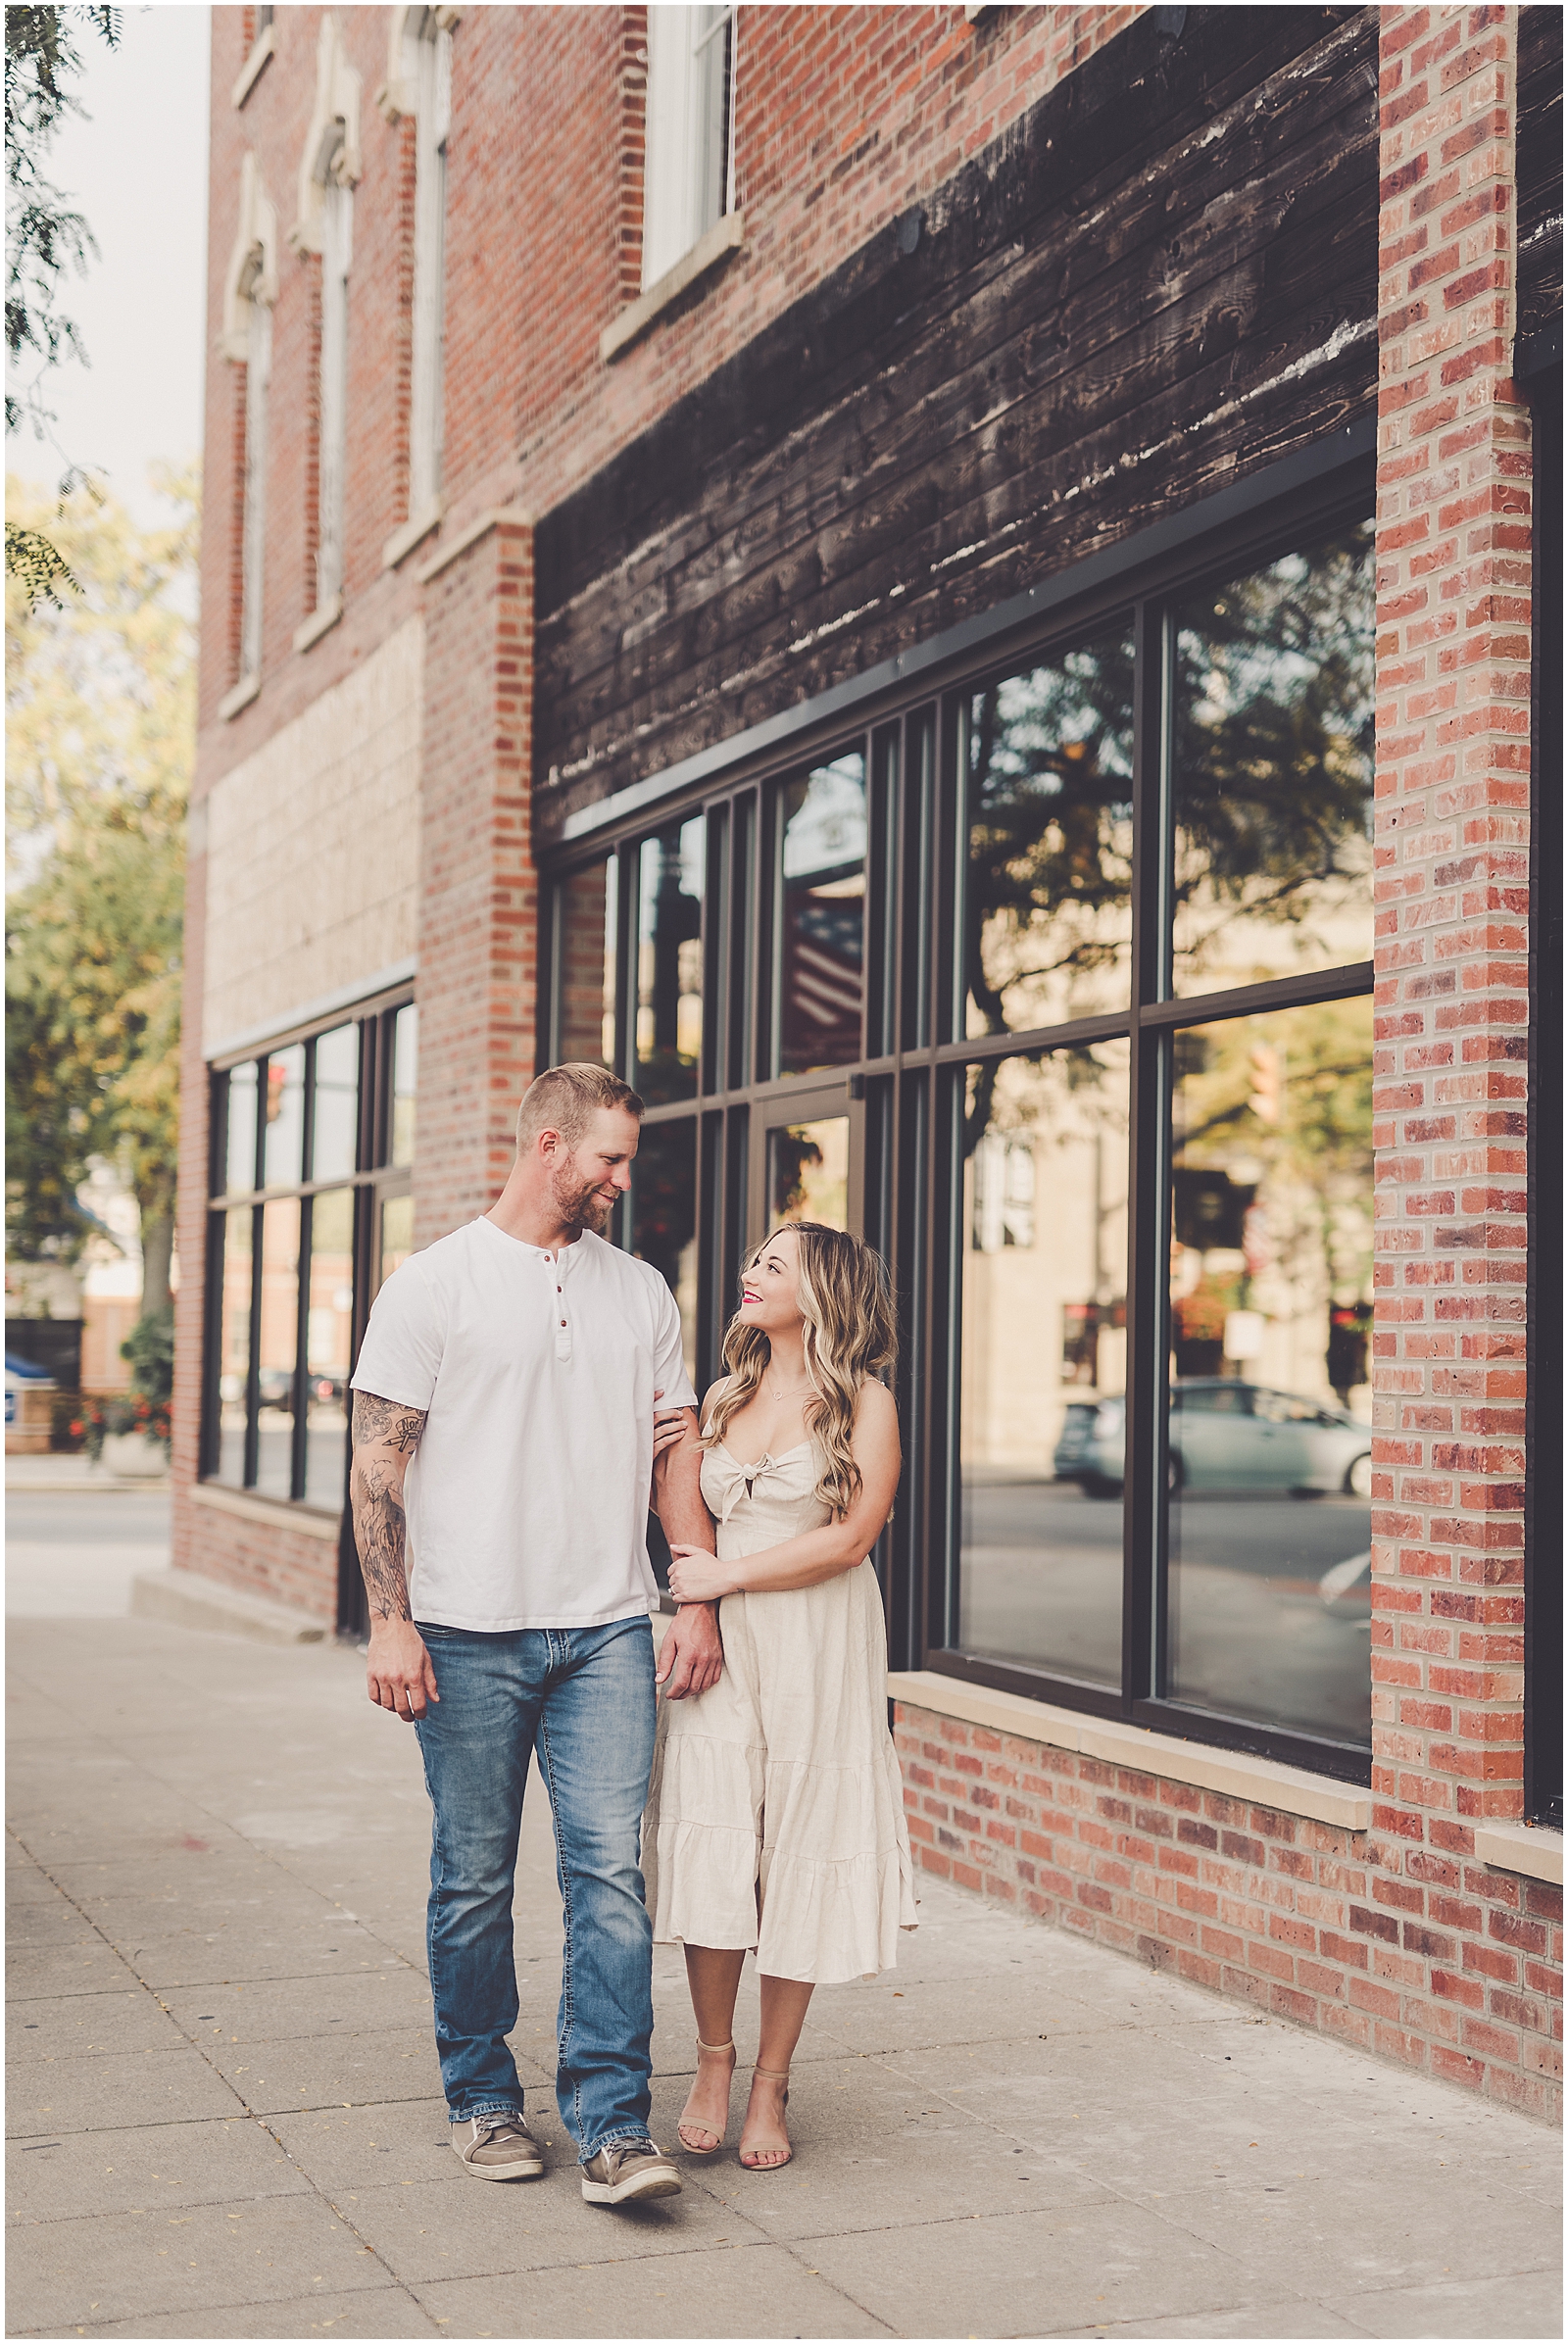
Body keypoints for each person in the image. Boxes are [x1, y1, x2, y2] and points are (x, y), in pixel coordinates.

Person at [347, 1062, 722, 2209]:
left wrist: (692, 1591)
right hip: (463, 1632)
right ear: (549, 1146)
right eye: (608, 1157)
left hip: (604, 1625)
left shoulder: (642, 1294)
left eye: (626, 1160)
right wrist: (391, 1623)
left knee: (612, 1874)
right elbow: (377, 1462)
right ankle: (483, 2098)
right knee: (472, 1881)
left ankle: (612, 2125)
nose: (621, 1177)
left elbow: (672, 1455)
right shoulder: (432, 1285)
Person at [642, 1220, 917, 2171]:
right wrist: (673, 1503)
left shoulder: (865, 1402)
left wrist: (725, 1577)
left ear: (823, 1292)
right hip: (721, 1646)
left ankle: (771, 2081)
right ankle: (712, 2062)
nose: (748, 1272)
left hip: (819, 1642)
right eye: (751, 1255)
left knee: (799, 1843)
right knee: (715, 1840)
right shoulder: (722, 1394)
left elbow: (851, 1539)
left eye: (772, 1264)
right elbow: (686, 1507)